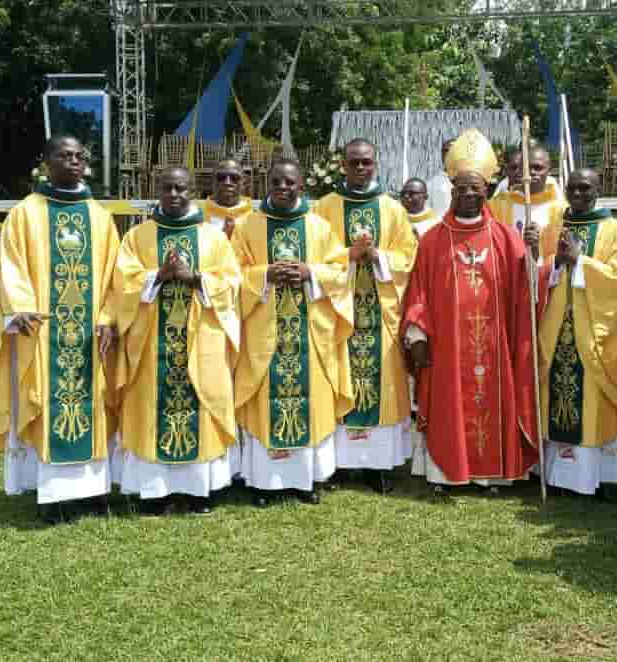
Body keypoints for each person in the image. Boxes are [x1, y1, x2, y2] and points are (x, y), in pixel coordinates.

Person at [0, 135, 121, 525]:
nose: (73, 162)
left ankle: (92, 491)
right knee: (47, 403)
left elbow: (113, 280)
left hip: (90, 339)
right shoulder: (26, 214)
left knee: (92, 405)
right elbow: (12, 267)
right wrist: (20, 308)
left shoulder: (99, 218)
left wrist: (107, 318)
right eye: (64, 155)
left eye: (78, 156)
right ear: (46, 162)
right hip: (43, 334)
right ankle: (52, 495)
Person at [401, 128, 542, 494]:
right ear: (451, 191)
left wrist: (533, 255)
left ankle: (491, 474)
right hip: (448, 346)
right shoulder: (433, 239)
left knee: (492, 402)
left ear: (486, 191)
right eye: (460, 187)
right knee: (450, 402)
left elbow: (525, 293)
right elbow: (417, 290)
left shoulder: (506, 236)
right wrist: (416, 334)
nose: (467, 193)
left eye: (474, 187)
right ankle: (445, 474)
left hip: (494, 347)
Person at [111, 167, 241, 516]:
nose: (173, 194)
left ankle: (201, 491)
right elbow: (122, 284)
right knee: (152, 406)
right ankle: (155, 491)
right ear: (157, 190)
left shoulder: (213, 239)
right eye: (167, 188)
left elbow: (232, 284)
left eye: (180, 188)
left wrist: (195, 278)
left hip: (202, 341)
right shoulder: (138, 237)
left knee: (202, 406)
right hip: (153, 344)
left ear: (192, 191)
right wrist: (158, 277)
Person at [231, 157, 353, 506]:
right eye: (276, 182)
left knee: (310, 401)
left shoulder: (318, 227)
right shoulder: (247, 227)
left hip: (309, 333)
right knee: (265, 402)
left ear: (302, 186)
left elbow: (339, 271)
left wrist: (310, 272)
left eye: (290, 183)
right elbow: (231, 276)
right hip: (264, 332)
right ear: (267, 185)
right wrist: (263, 276)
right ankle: (262, 483)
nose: (283, 188)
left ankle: (305, 480)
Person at [315, 138, 418, 493]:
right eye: (354, 162)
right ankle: (340, 463)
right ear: (343, 165)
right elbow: (316, 259)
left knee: (383, 384)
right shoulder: (325, 208)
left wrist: (377, 257)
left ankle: (377, 465)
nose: (361, 168)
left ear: (376, 165)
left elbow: (408, 258)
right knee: (339, 377)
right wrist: (348, 255)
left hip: (379, 315)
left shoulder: (392, 210)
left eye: (367, 162)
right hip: (341, 316)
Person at [538, 168, 617, 496]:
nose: (577, 194)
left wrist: (581, 262)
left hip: (593, 332)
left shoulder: (616, 230)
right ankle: (558, 475)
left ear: (598, 188)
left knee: (593, 399)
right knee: (557, 395)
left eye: (585, 188)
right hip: (556, 331)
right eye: (572, 188)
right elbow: (541, 274)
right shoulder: (554, 228)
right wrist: (551, 265)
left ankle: (597, 477)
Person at [489, 145, 566, 259]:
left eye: (538, 168)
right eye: (526, 167)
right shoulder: (498, 204)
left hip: (546, 274)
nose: (531, 172)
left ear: (549, 170)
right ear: (520, 169)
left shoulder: (561, 209)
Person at [201, 158, 252, 238]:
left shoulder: (255, 217)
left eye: (234, 178)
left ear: (244, 182)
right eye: (221, 177)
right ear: (212, 181)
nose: (227, 182)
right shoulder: (198, 218)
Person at [425, 138, 456, 219]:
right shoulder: (431, 185)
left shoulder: (470, 183)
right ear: (442, 155)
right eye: (446, 151)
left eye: (453, 151)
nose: (449, 155)